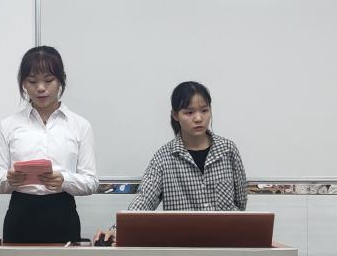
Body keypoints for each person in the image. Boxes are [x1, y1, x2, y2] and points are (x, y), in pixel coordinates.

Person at [95, 80, 247, 242]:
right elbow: (144, 199)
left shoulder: (228, 150)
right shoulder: (164, 157)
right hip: (183, 246)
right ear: (175, 115)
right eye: (189, 112)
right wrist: (117, 229)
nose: (198, 118)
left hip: (226, 243)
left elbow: (240, 202)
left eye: (204, 110)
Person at [0, 46, 99, 243]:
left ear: (61, 80)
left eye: (48, 80)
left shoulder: (80, 125)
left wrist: (64, 180)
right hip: (20, 213)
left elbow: (91, 182)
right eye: (32, 81)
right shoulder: (8, 125)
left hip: (62, 212)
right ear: (24, 83)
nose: (40, 88)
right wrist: (10, 179)